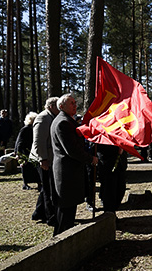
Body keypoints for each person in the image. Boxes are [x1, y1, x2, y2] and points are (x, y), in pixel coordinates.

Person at [50, 94, 98, 236]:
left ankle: (61, 238)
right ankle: (62, 241)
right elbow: (72, 150)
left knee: (67, 211)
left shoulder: (66, 120)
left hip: (69, 171)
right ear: (61, 106)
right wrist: (90, 159)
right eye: (71, 103)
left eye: (75, 102)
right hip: (67, 173)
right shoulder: (62, 123)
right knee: (66, 212)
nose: (75, 105)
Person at [30, 97, 60, 226]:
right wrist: (43, 159)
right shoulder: (43, 118)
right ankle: (51, 217)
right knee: (49, 189)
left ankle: (39, 213)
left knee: (46, 187)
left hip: (48, 157)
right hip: (43, 158)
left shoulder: (51, 117)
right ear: (51, 106)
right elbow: (39, 142)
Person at [94, 144, 128, 213]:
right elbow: (97, 146)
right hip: (107, 163)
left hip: (120, 163)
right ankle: (109, 213)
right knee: (109, 191)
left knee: (121, 189)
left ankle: (113, 210)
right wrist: (116, 150)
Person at [14, 112, 39, 190]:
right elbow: (19, 141)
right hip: (25, 151)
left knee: (35, 168)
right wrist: (18, 153)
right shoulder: (25, 129)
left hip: (33, 151)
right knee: (25, 167)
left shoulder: (35, 128)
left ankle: (38, 182)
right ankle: (25, 184)